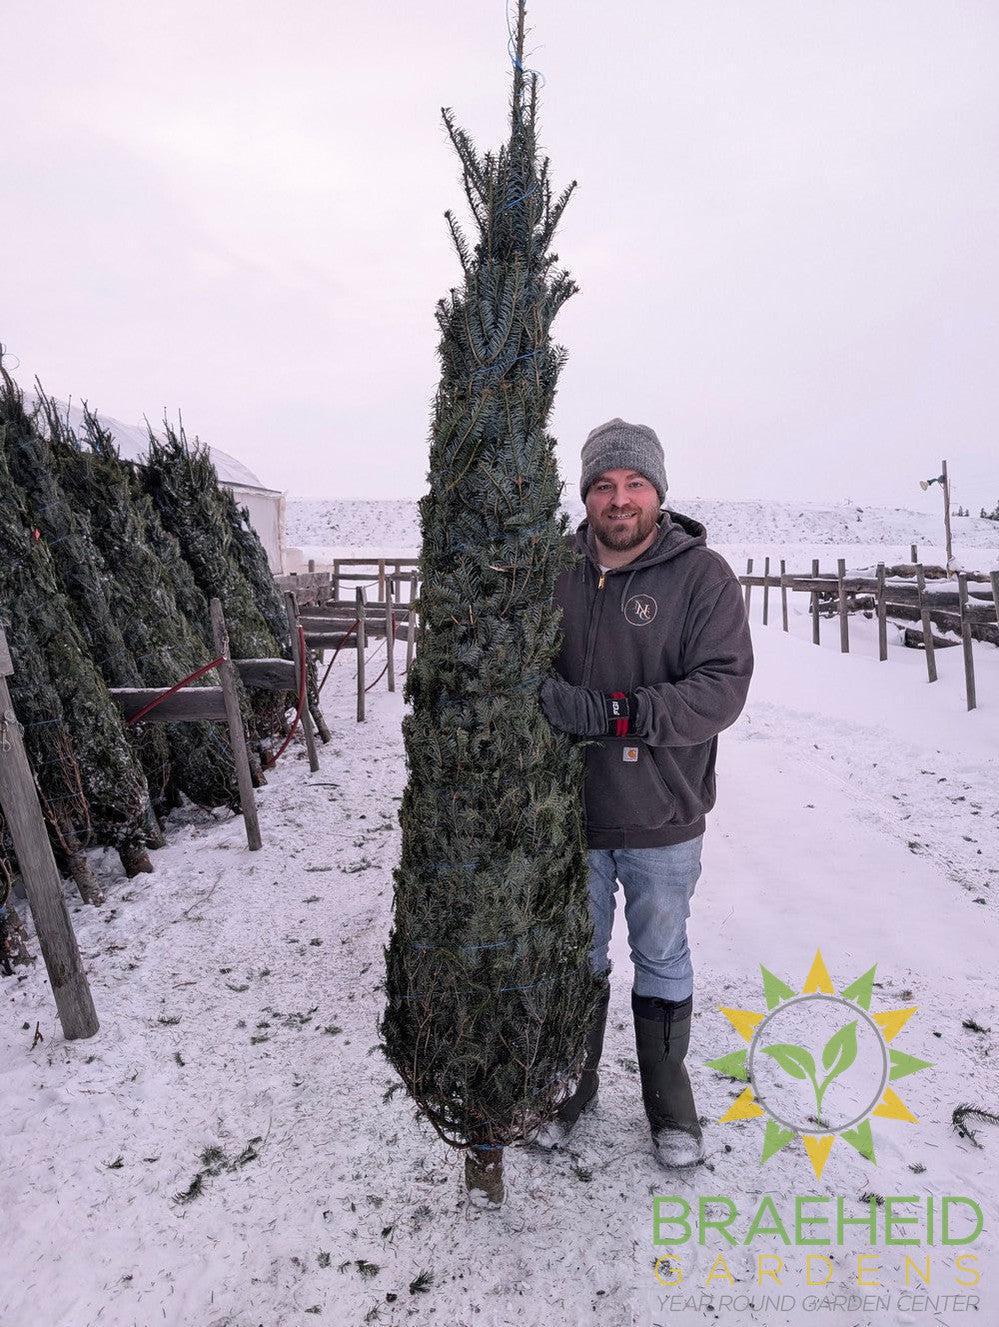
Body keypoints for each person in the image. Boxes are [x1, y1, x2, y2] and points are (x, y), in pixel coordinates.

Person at [536, 417, 754, 1168]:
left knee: (660, 952)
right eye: (603, 485)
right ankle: (570, 1083)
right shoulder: (551, 571)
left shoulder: (702, 576)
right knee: (577, 953)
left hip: (662, 812)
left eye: (633, 484)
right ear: (586, 494)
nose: (618, 499)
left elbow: (720, 689)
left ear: (657, 492)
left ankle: (668, 1101)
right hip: (571, 813)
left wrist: (616, 711)